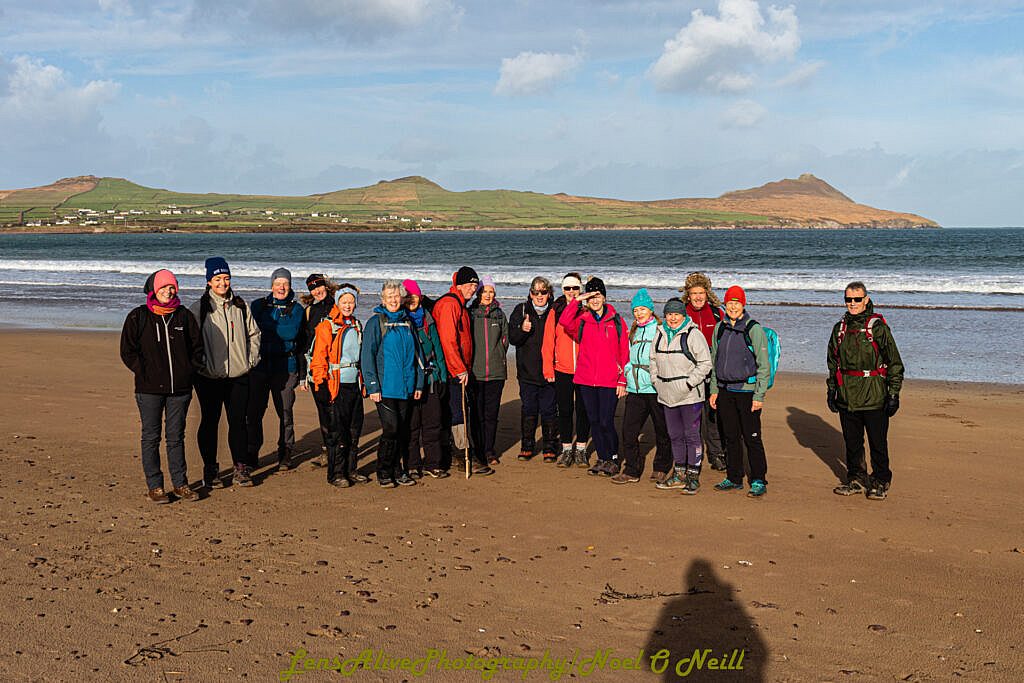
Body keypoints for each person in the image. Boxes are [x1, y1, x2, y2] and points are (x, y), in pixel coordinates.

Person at [120, 269, 204, 503]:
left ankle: (180, 484)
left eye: (172, 287)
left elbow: (197, 349)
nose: (169, 291)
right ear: (154, 289)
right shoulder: (138, 316)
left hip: (180, 389)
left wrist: (189, 371)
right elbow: (127, 351)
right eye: (164, 287)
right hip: (148, 390)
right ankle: (155, 486)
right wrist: (144, 371)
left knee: (176, 437)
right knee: (151, 437)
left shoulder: (184, 316)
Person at [827, 281, 904, 501]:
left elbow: (894, 362)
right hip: (847, 396)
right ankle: (856, 479)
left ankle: (880, 481)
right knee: (852, 443)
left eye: (857, 299)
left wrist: (893, 393)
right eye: (848, 299)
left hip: (874, 395)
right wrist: (831, 390)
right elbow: (832, 361)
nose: (852, 304)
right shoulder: (839, 328)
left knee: (877, 443)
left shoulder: (877, 327)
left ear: (866, 300)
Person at [190, 257, 261, 488]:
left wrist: (250, 361)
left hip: (239, 376)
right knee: (210, 422)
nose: (223, 283)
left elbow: (254, 334)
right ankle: (211, 469)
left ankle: (240, 468)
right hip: (209, 378)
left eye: (226, 278)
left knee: (238, 423)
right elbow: (189, 342)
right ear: (209, 281)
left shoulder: (241, 305)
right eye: (218, 279)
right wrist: (199, 366)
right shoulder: (199, 308)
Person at [558, 276, 628, 477]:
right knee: (594, 421)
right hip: (586, 380)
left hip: (609, 381)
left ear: (604, 297)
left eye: (598, 296)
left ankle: (613, 458)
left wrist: (622, 379)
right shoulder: (582, 320)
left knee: (606, 421)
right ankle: (602, 459)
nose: (595, 300)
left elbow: (625, 351)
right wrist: (578, 299)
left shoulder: (616, 320)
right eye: (592, 296)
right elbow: (564, 320)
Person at [361, 280, 424, 487]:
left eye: (397, 296)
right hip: (385, 387)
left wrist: (419, 384)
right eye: (389, 296)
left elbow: (419, 357)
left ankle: (399, 470)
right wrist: (372, 386)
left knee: (403, 430)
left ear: (402, 298)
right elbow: (367, 356)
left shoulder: (408, 323)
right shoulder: (375, 323)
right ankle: (384, 470)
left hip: (406, 387)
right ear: (383, 299)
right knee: (391, 429)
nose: (394, 300)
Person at [708, 286, 770, 497]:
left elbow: (764, 366)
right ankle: (734, 478)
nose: (733, 306)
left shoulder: (753, 329)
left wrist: (759, 396)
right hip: (725, 391)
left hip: (747, 392)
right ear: (725, 305)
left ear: (744, 304)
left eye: (737, 302)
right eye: (730, 303)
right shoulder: (720, 328)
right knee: (730, 437)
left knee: (752, 437)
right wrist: (714, 389)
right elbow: (714, 362)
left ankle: (759, 479)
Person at [433, 266, 494, 476]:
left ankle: (454, 455)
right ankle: (462, 457)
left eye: (475, 285)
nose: (472, 288)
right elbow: (448, 340)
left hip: (457, 369)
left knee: (456, 412)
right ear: (458, 284)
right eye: (469, 284)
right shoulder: (451, 304)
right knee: (459, 414)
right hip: (452, 372)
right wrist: (459, 370)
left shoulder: (460, 304)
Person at [650, 297, 713, 493]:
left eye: (676, 314)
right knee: (675, 435)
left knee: (691, 436)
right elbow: (652, 359)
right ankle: (679, 473)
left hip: (690, 396)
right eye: (669, 314)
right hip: (666, 395)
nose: (672, 318)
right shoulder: (659, 334)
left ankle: (693, 476)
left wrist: (688, 383)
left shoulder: (693, 335)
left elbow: (705, 363)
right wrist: (656, 381)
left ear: (683, 315)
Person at [309, 284, 369, 488]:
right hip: (336, 385)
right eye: (344, 302)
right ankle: (335, 474)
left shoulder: (356, 324)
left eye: (351, 302)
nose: (348, 305)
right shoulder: (327, 326)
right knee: (338, 434)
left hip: (355, 385)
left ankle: (351, 470)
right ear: (337, 302)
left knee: (354, 431)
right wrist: (320, 385)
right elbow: (319, 359)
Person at [612, 289, 673, 485]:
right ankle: (632, 469)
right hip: (636, 390)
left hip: (655, 389)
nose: (638, 313)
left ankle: (662, 467)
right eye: (635, 310)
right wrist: (628, 374)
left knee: (662, 431)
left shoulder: (661, 330)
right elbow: (628, 357)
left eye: (642, 309)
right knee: (628, 431)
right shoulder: (633, 331)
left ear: (650, 310)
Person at [248, 268, 306, 469]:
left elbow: (290, 332)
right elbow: (250, 331)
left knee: (285, 412)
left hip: (286, 367)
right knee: (255, 412)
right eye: (278, 283)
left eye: (286, 283)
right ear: (271, 284)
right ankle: (251, 453)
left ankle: (286, 452)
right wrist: (276, 327)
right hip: (260, 366)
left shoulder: (297, 309)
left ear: (290, 285)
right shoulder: (258, 305)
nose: (282, 287)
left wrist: (267, 327)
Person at [680, 271, 727, 472]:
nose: (698, 297)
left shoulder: (717, 313)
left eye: (701, 292)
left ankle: (717, 455)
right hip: (690, 374)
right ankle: (693, 456)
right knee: (692, 418)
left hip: (714, 374)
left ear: (707, 293)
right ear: (688, 295)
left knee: (713, 417)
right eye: (694, 293)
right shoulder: (681, 314)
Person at [508, 276, 558, 462]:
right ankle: (527, 446)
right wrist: (522, 328)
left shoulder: (555, 311)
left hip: (549, 372)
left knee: (549, 410)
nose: (539, 296)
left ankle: (550, 447)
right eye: (536, 292)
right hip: (527, 372)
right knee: (529, 408)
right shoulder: (521, 310)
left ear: (549, 294)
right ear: (530, 293)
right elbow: (513, 338)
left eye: (543, 292)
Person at [405, 279, 451, 479]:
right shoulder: (401, 320)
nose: (411, 299)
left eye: (414, 295)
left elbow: (438, 349)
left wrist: (442, 375)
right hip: (410, 381)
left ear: (420, 297)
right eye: (407, 296)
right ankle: (413, 464)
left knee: (433, 425)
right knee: (412, 427)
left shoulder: (428, 319)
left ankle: (433, 464)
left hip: (431, 380)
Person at [544, 272, 590, 467]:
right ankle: (565, 450)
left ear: (580, 290)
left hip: (584, 370)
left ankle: (580, 449)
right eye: (567, 288)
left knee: (583, 410)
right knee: (564, 410)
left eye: (575, 288)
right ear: (562, 290)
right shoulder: (555, 310)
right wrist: (548, 368)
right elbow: (548, 342)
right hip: (561, 369)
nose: (571, 292)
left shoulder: (587, 309)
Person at [301, 273, 343, 466]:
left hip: (336, 368)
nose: (316, 291)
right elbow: (304, 344)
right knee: (323, 411)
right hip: (316, 369)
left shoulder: (339, 305)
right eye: (312, 288)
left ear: (325, 286)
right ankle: (327, 451)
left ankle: (340, 450)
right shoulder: (309, 311)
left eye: (319, 286)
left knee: (338, 410)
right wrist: (304, 375)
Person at [468, 276, 509, 466]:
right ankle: (477, 450)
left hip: (495, 373)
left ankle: (489, 450)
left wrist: (498, 356)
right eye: (485, 291)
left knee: (491, 414)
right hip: (474, 373)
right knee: (476, 414)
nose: (488, 295)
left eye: (491, 291)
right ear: (479, 293)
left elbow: (505, 340)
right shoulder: (470, 314)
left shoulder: (500, 315)